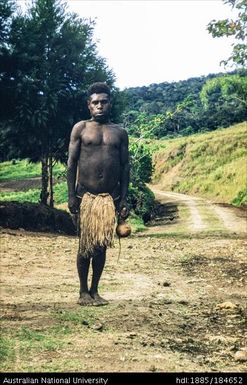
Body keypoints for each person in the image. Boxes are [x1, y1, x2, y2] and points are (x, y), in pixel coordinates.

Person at [67, 82, 130, 306]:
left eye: (103, 102)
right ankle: (83, 291)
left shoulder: (120, 133)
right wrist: (71, 196)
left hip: (108, 199)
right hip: (86, 197)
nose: (100, 106)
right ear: (89, 105)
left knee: (101, 245)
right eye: (95, 102)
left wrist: (124, 198)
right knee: (85, 244)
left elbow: (125, 167)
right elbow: (71, 164)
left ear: (110, 103)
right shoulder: (81, 128)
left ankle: (95, 290)